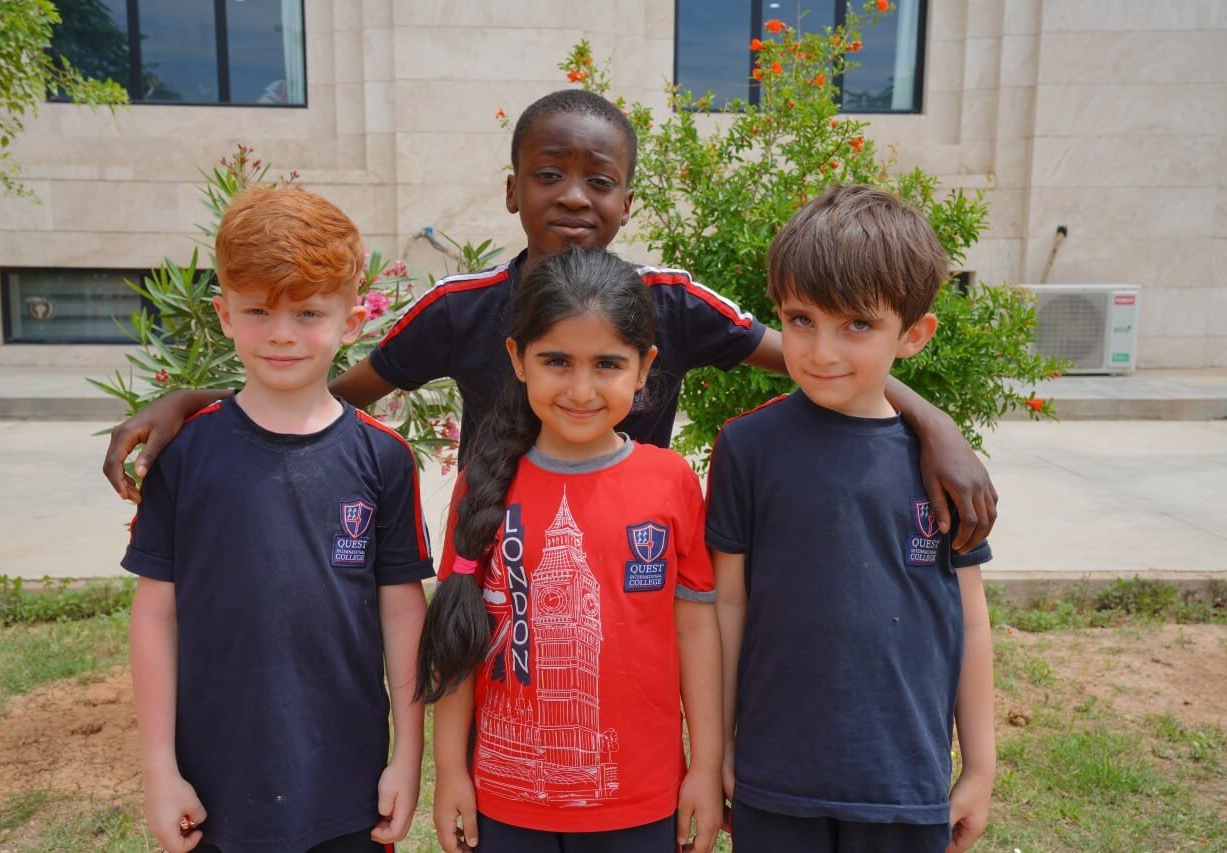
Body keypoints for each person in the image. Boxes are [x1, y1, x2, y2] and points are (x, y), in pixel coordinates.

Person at [101, 90, 996, 552]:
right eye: (547, 175)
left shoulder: (673, 303)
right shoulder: (458, 309)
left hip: (634, 560)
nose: (572, 196)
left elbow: (818, 359)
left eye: (598, 180)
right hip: (492, 562)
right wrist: (197, 402)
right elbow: (327, 395)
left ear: (627, 202)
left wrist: (936, 423)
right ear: (511, 191)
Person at [123, 186, 431, 852]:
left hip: (347, 785)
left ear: (353, 320)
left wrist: (408, 755)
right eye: (258, 310)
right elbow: (154, 616)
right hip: (214, 786)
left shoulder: (384, 457)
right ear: (224, 314)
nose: (282, 333)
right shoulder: (184, 454)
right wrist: (159, 768)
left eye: (308, 312)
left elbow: (403, 612)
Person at [708, 186, 996, 853]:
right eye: (800, 319)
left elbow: (971, 620)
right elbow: (728, 604)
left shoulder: (945, 466)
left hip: (905, 781)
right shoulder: (747, 448)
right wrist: (717, 745)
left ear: (914, 334)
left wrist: (980, 768)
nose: (821, 351)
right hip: (775, 776)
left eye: (857, 325)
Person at [417, 246, 723, 853]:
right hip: (507, 799)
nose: (581, 390)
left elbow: (695, 633)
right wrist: (450, 769)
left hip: (640, 796)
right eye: (557, 361)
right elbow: (459, 637)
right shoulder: (485, 484)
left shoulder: (670, 481)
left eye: (607, 364)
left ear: (644, 367)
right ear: (518, 359)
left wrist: (706, 768)